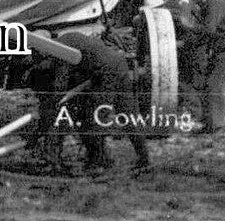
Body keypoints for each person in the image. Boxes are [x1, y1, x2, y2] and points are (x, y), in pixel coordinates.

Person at [35, 30, 150, 172]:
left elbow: (59, 87)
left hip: (104, 72)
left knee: (92, 119)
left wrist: (50, 109)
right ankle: (143, 158)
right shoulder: (68, 38)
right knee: (126, 113)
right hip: (118, 64)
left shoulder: (60, 52)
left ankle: (98, 163)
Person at [186, 0, 225, 134]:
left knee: (216, 86)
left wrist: (189, 27)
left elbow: (209, 29)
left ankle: (218, 125)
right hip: (219, 48)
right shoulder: (212, 2)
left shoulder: (215, 3)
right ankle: (212, 123)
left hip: (223, 49)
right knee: (211, 86)